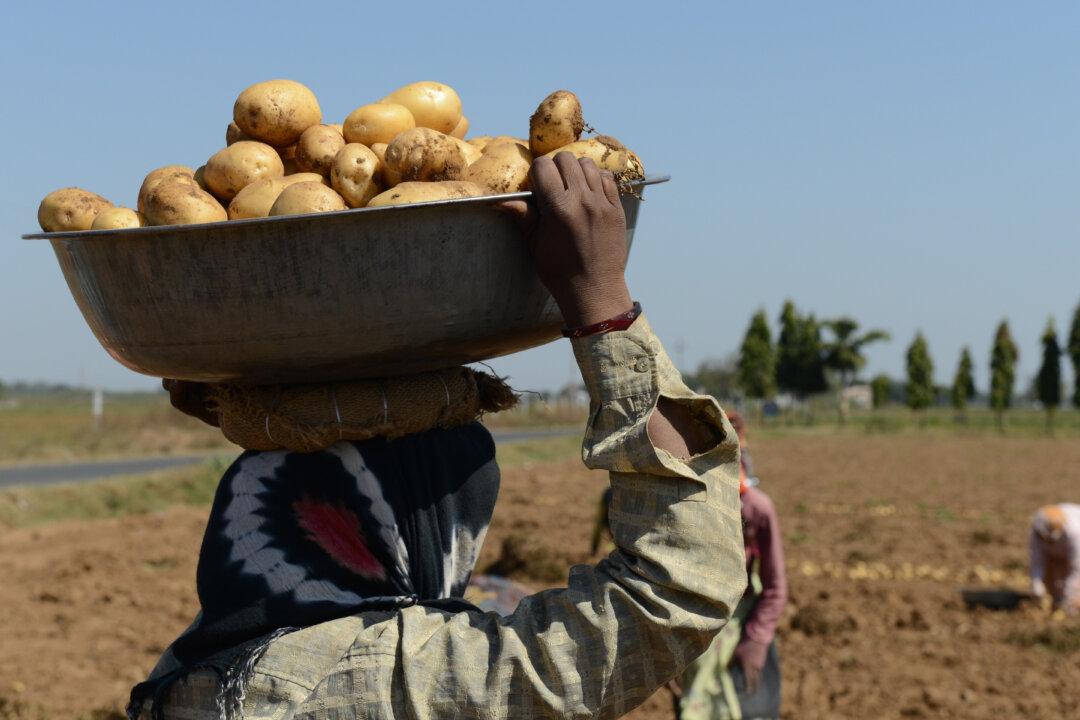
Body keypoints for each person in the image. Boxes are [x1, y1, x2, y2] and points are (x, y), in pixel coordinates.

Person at [131, 153, 747, 720]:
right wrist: (602, 303)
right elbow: (676, 589)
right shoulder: (398, 684)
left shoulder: (183, 681)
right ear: (427, 534)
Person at [672, 410, 787, 720]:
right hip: (698, 623)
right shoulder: (687, 507)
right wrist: (669, 652)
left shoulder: (757, 509)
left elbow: (775, 588)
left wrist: (757, 640)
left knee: (752, 707)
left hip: (743, 622)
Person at [1029, 503, 1080, 615]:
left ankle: (1070, 607)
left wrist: (1070, 594)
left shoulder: (1075, 532)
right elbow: (1037, 560)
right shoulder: (1038, 531)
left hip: (1075, 552)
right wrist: (1036, 584)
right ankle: (1057, 600)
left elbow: (1077, 568)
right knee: (1053, 577)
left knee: (1073, 585)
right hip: (1058, 553)